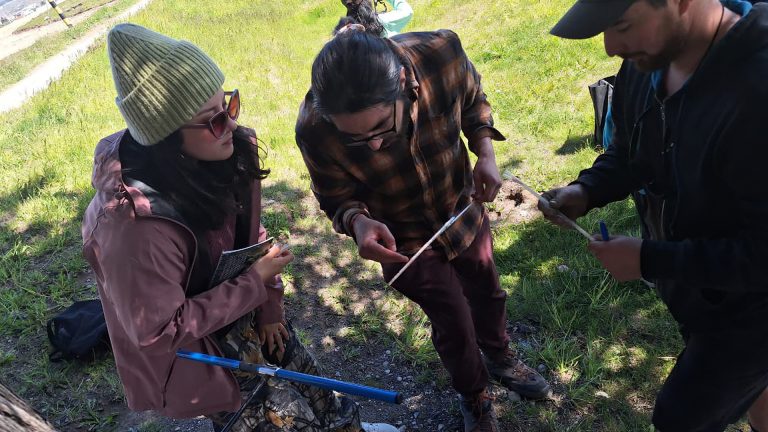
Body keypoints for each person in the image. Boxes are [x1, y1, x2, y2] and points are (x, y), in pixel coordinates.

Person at [82, 23, 397, 432]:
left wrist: (269, 306)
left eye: (229, 104)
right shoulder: (133, 229)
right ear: (166, 140)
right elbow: (159, 332)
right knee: (277, 419)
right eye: (213, 121)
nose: (231, 125)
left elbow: (249, 238)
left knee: (311, 383)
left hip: (244, 307)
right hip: (202, 353)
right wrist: (253, 284)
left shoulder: (224, 153)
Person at [295, 6, 551, 432]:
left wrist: (485, 152)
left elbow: (473, 100)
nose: (373, 146)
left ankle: (500, 356)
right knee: (452, 319)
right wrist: (358, 223)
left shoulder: (440, 53)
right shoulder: (314, 127)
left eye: (381, 126)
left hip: (461, 208)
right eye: (355, 138)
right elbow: (334, 196)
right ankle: (474, 395)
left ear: (402, 82)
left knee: (487, 290)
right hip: (402, 242)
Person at [542, 1, 768, 430]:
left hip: (752, 313)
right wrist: (587, 190)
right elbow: (632, 150)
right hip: (700, 289)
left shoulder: (757, 90)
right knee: (756, 389)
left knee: (679, 418)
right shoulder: (645, 65)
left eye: (622, 25)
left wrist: (649, 259)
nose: (610, 47)